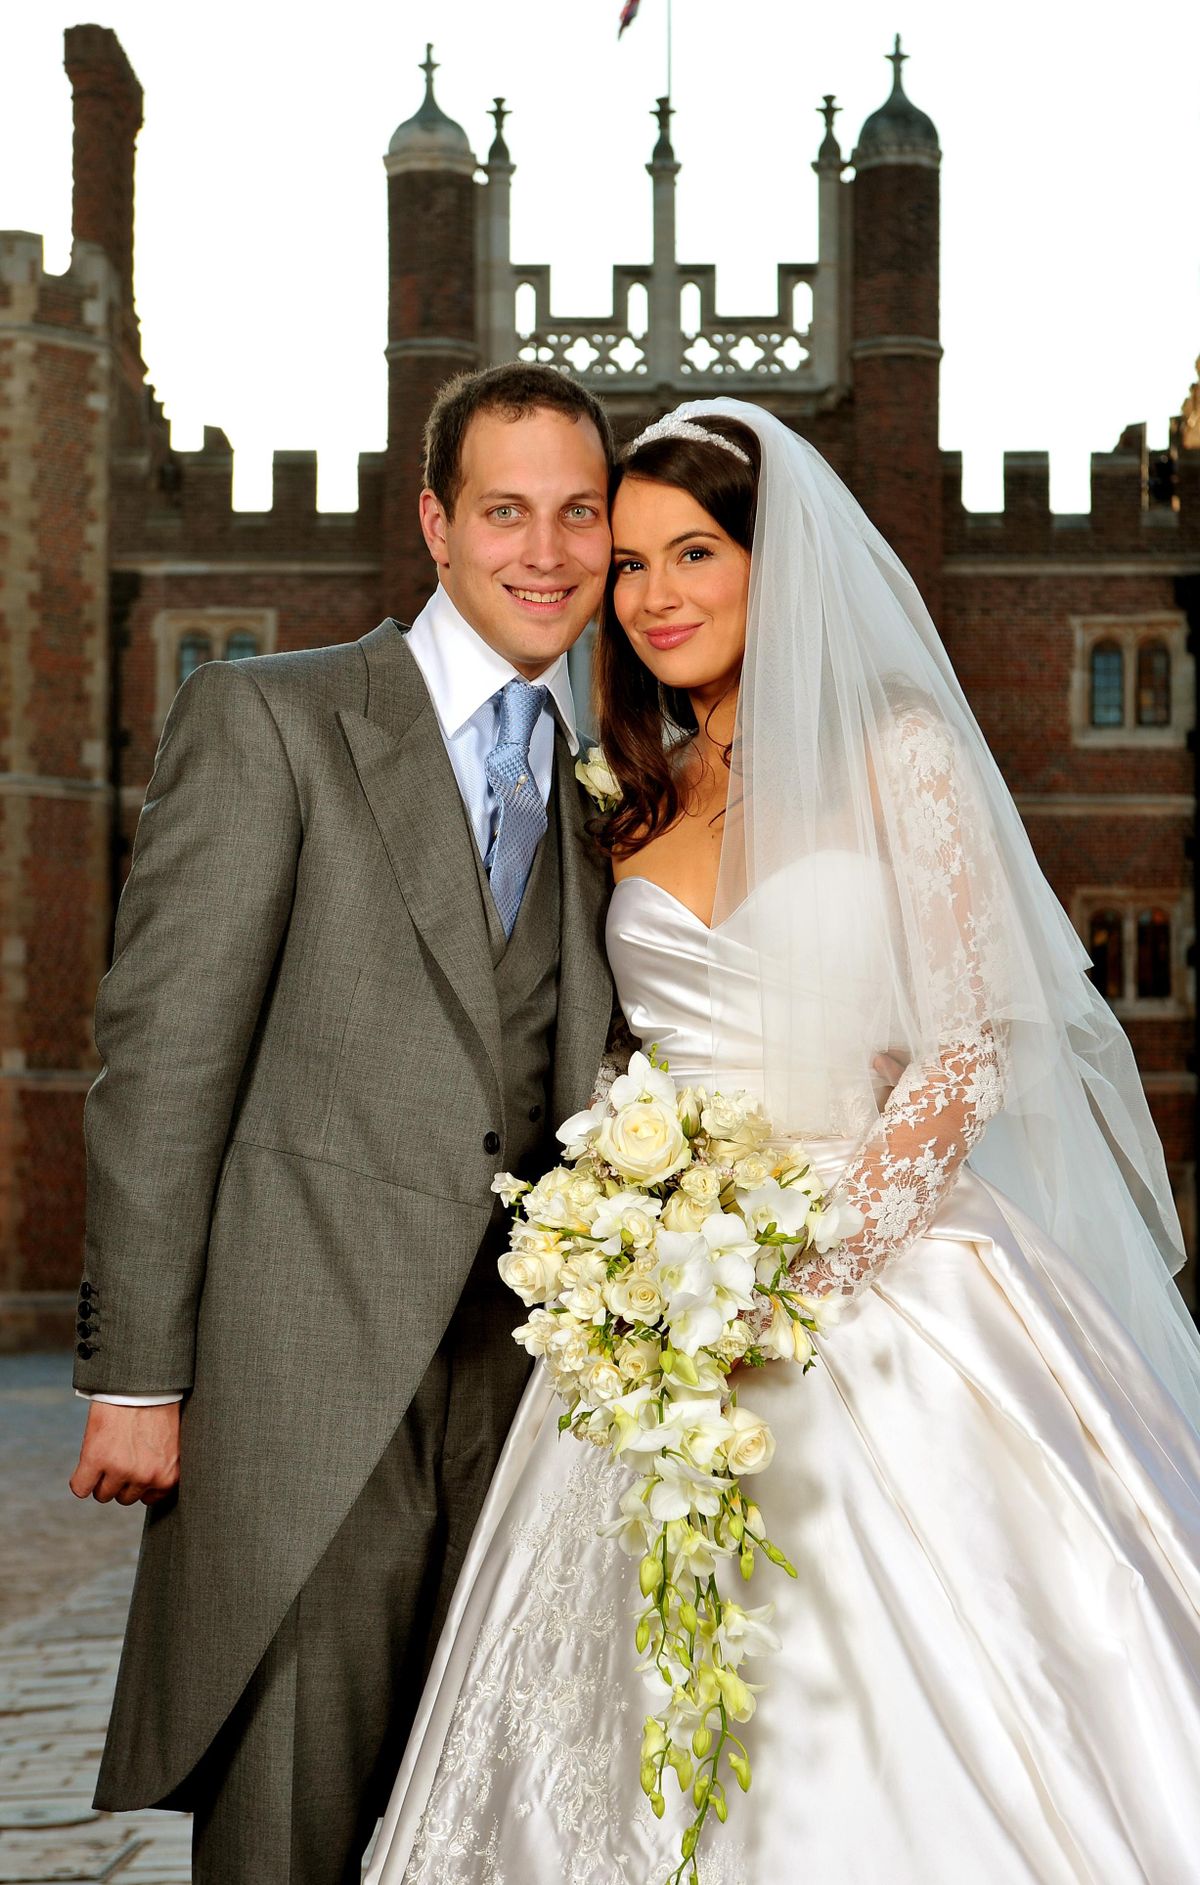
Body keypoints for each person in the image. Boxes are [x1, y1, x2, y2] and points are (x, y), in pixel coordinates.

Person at [366, 399, 1200, 1885]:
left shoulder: (902, 759)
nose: (655, 593)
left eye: (695, 551)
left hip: (887, 1285)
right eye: (626, 563)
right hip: (659, 1299)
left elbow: (969, 1048)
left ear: (780, 562)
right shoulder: (629, 794)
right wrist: (644, 1236)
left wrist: (800, 1272)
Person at [67, 361, 617, 1884]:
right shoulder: (272, 718)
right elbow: (163, 1063)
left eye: (580, 514)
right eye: (506, 511)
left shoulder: (606, 788)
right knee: (288, 1836)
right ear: (436, 524)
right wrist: (137, 1376)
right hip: (303, 1397)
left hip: (524, 1412)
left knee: (482, 1832)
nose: (546, 552)